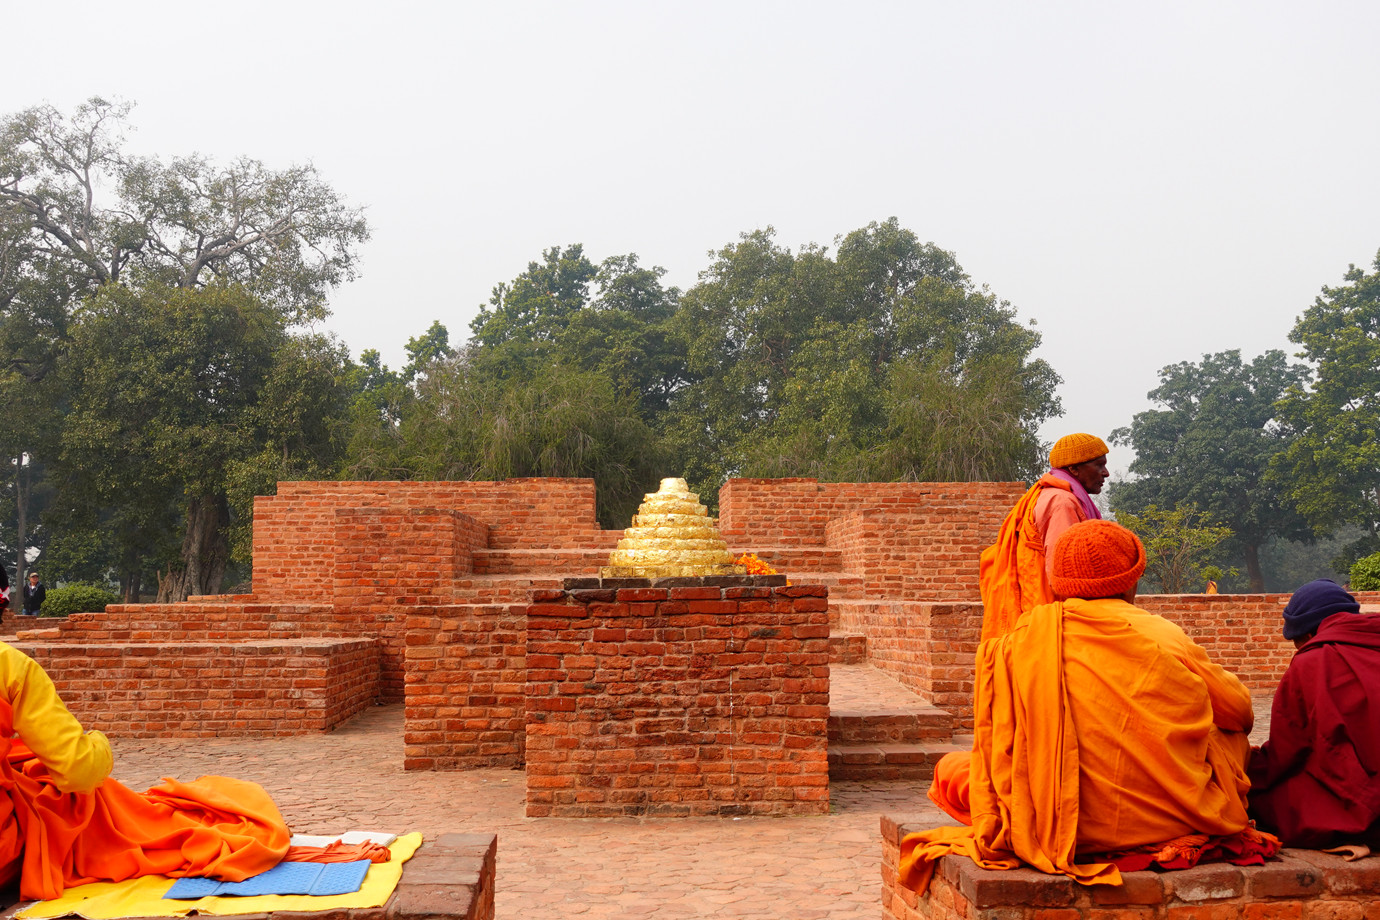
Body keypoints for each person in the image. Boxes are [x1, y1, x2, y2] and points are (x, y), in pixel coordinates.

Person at [901, 520, 1275, 893]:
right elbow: (1240, 712)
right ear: (1132, 580)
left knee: (952, 772)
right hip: (1175, 818)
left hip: (1056, 822)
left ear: (1059, 582)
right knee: (1225, 735)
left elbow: (999, 748)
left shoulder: (1021, 640)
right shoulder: (1162, 634)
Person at [0, 640, 289, 899]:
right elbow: (78, 769)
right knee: (81, 798)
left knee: (32, 775)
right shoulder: (9, 665)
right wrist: (98, 742)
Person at [1247, 579, 1380, 848]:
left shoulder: (1312, 661)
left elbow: (1287, 752)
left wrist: (1246, 769)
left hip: (1363, 805)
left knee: (1264, 801)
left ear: (1310, 633)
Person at [977, 433, 1111, 641]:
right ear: (1074, 469)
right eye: (1098, 465)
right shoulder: (1061, 502)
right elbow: (1064, 571)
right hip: (1054, 619)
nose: (1106, 473)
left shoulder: (1061, 497)